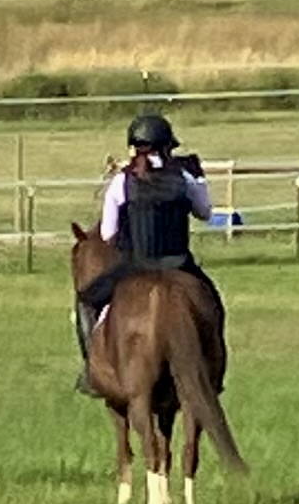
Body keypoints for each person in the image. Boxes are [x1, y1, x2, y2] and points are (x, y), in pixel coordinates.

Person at [79, 108, 221, 373]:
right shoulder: (185, 177)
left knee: (87, 300)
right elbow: (205, 213)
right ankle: (214, 368)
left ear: (134, 148)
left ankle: (94, 367)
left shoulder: (122, 181)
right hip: (179, 263)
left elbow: (108, 233)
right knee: (212, 303)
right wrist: (199, 181)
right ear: (168, 147)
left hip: (136, 264)